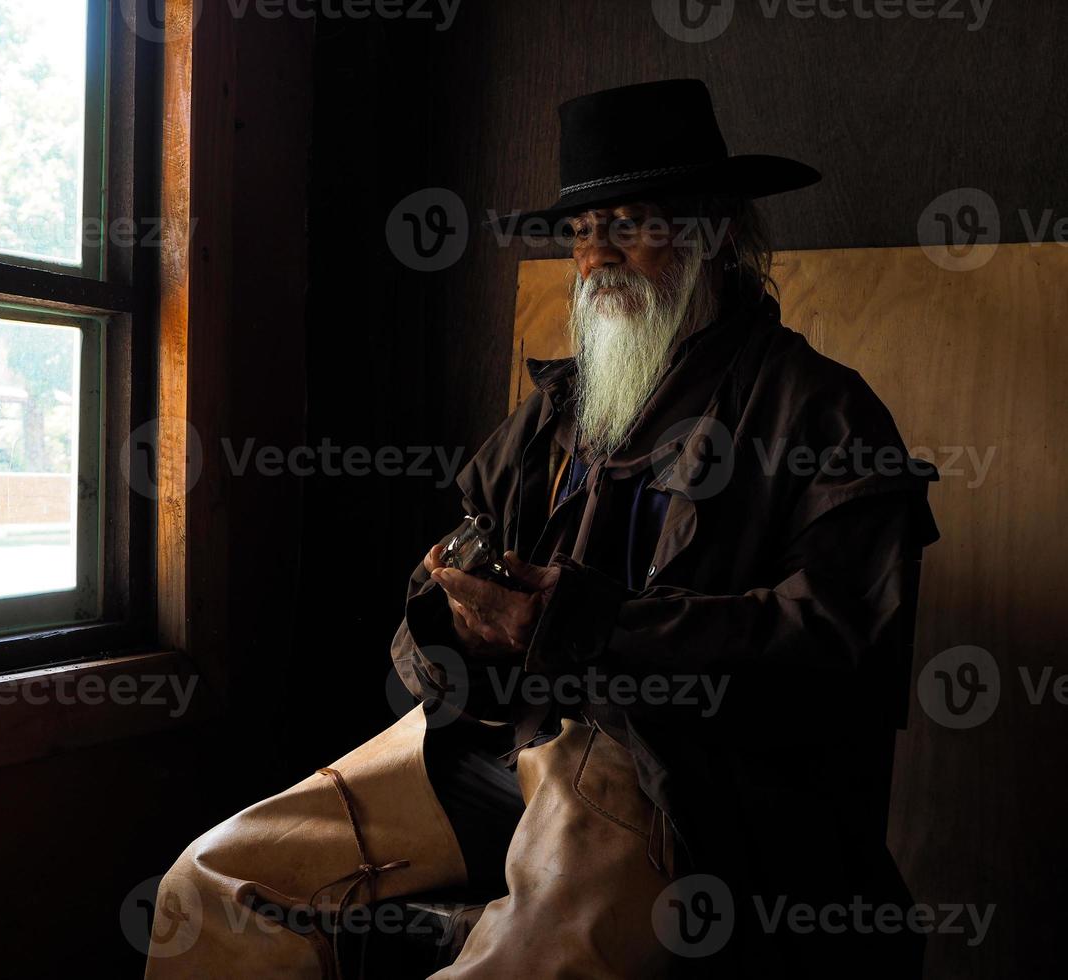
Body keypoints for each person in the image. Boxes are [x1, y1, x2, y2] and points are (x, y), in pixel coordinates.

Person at [145, 78, 940, 979]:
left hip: (679, 780)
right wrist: (457, 608)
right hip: (497, 745)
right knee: (209, 885)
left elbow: (842, 649)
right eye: (579, 233)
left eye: (630, 224)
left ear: (715, 233)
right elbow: (448, 605)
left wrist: (586, 623)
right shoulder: (561, 411)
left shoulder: (823, 414)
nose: (596, 257)